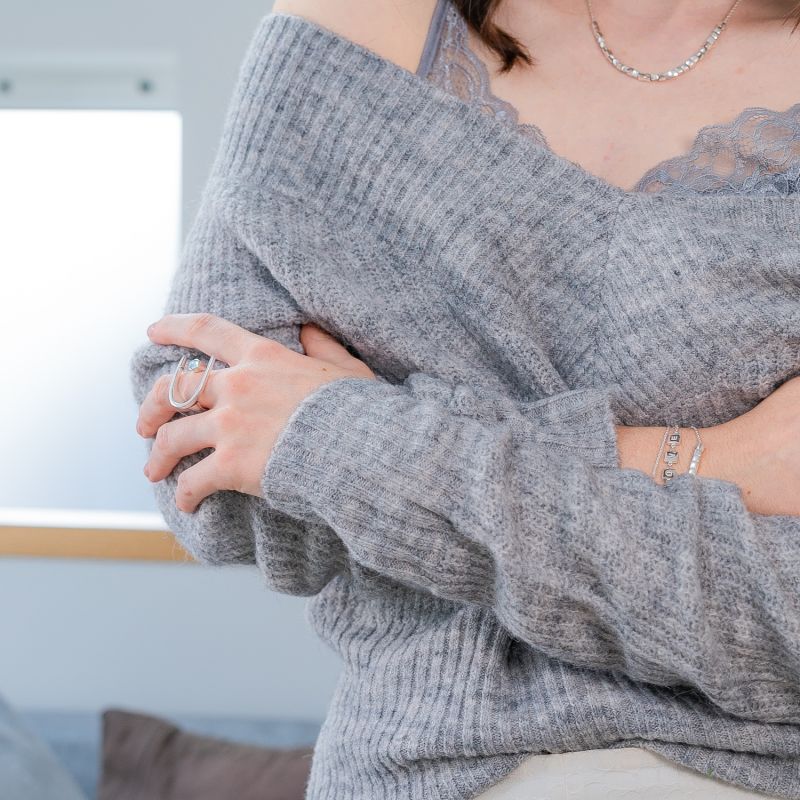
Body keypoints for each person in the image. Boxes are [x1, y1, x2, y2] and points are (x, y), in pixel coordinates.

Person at [130, 0, 800, 797]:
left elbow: (784, 625)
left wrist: (335, 435)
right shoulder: (350, 22)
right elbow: (207, 461)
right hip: (400, 773)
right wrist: (691, 460)